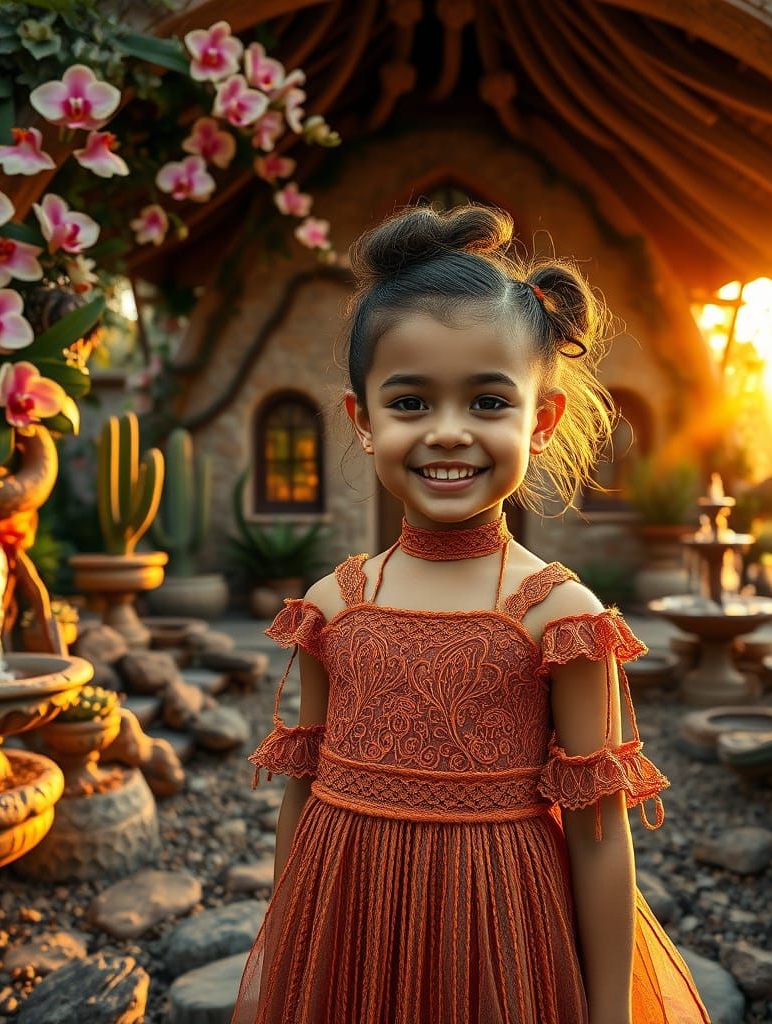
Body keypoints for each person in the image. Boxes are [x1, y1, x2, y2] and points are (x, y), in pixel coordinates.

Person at [230, 204, 711, 1024]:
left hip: (500, 943)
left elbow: (599, 837)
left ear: (542, 420)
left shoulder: (561, 617)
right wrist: (287, 961)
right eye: (411, 403)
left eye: (489, 402)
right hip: (348, 939)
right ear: (363, 420)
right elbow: (301, 801)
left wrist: (609, 1015)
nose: (449, 433)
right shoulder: (332, 607)